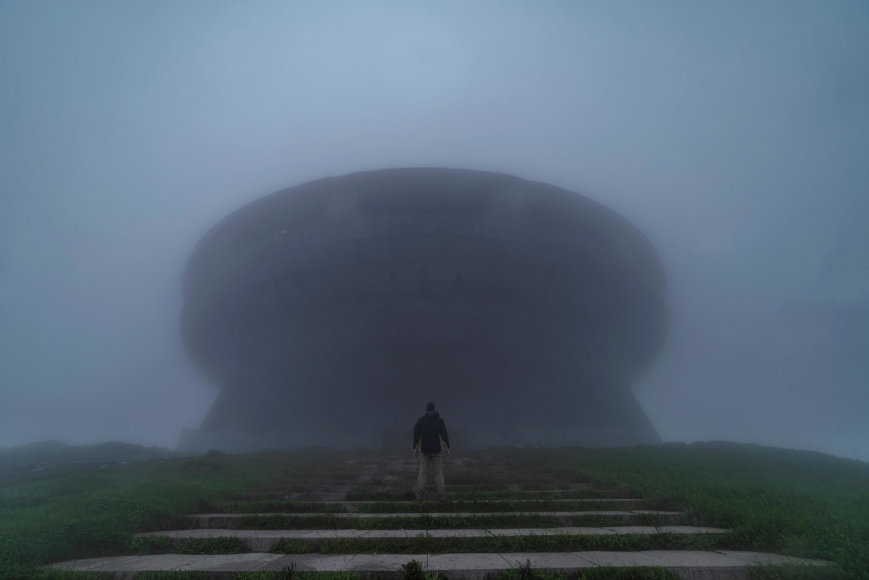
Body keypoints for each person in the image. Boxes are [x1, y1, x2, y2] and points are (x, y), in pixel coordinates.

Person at [412, 401, 450, 500]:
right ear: (434, 409)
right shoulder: (439, 421)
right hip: (436, 451)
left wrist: (415, 448)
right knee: (438, 473)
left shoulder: (420, 421)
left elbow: (416, 436)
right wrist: (447, 448)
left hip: (424, 451)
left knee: (423, 473)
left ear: (426, 409)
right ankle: (442, 495)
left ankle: (419, 495)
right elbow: (444, 435)